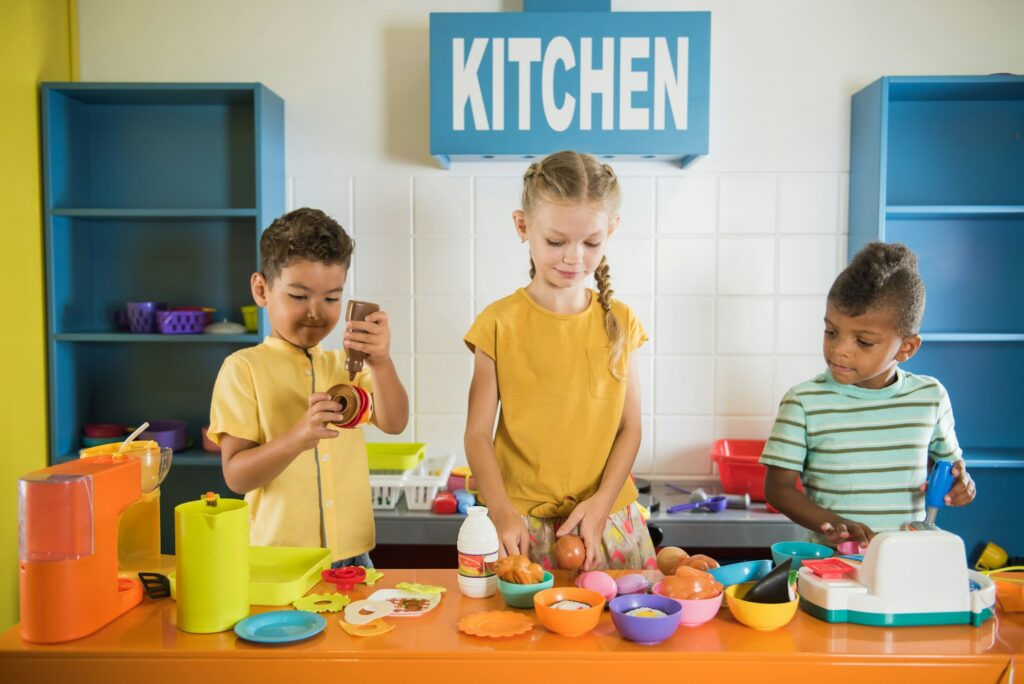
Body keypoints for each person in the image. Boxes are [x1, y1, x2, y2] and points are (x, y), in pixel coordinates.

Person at [464, 151, 655, 572]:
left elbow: (631, 427)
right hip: (518, 525)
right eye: (556, 242)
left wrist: (603, 501)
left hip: (607, 519)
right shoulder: (497, 323)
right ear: (522, 226)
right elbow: (477, 434)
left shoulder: (621, 322)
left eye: (591, 243)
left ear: (612, 230)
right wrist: (500, 511)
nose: (574, 258)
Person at [208, 207, 409, 567]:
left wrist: (382, 361)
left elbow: (394, 422)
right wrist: (296, 437)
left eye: (331, 298)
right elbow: (236, 477)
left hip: (352, 555)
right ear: (261, 289)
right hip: (278, 560)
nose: (316, 312)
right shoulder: (242, 369)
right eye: (299, 296)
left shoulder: (347, 366)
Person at [761, 242, 975, 546]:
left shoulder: (930, 398)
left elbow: (949, 470)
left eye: (863, 341)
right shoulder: (804, 402)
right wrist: (835, 523)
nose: (839, 350)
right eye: (831, 332)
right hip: (829, 571)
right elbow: (778, 489)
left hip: (905, 565)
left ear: (906, 347)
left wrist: (962, 485)